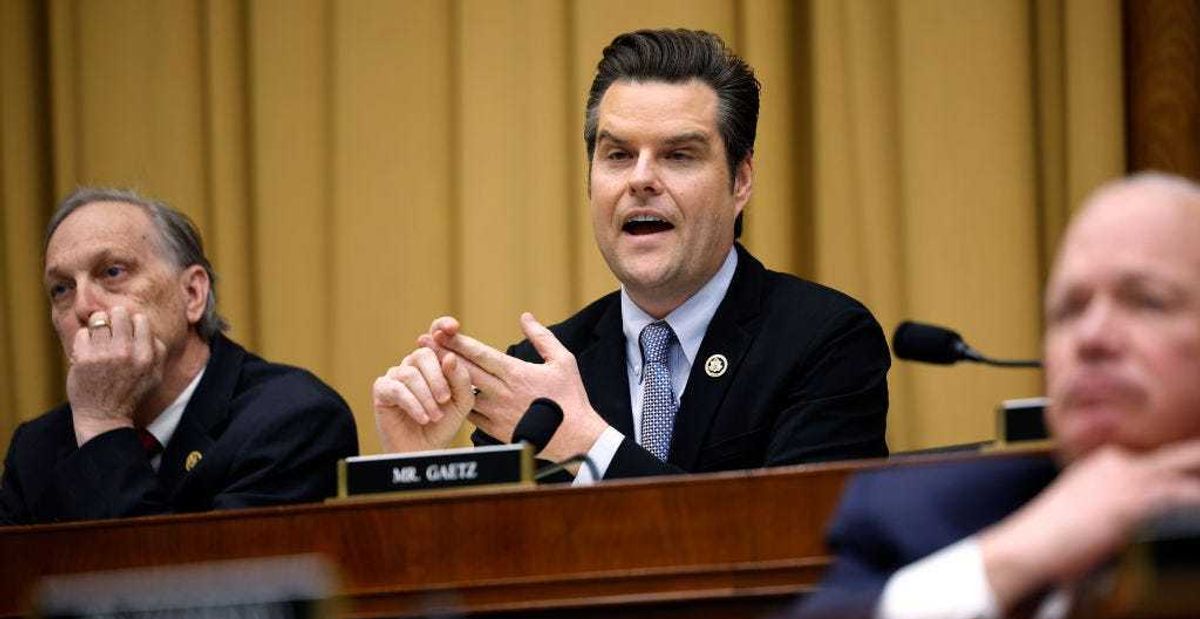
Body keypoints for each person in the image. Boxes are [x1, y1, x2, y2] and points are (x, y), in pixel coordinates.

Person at [372, 28, 889, 481]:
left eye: (678, 155)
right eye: (618, 155)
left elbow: (797, 550)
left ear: (741, 180)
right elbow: (488, 576)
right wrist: (416, 471)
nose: (641, 179)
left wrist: (588, 448)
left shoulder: (824, 340)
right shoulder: (537, 372)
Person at [782, 173, 1200, 619]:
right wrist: (1007, 562)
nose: (1092, 337)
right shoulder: (929, 515)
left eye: (1147, 301)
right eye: (1069, 310)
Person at [0, 188, 358, 525]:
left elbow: (173, 586)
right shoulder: (36, 449)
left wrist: (105, 425)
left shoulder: (294, 420)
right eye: (61, 288)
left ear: (192, 294)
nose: (82, 307)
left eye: (112, 272)